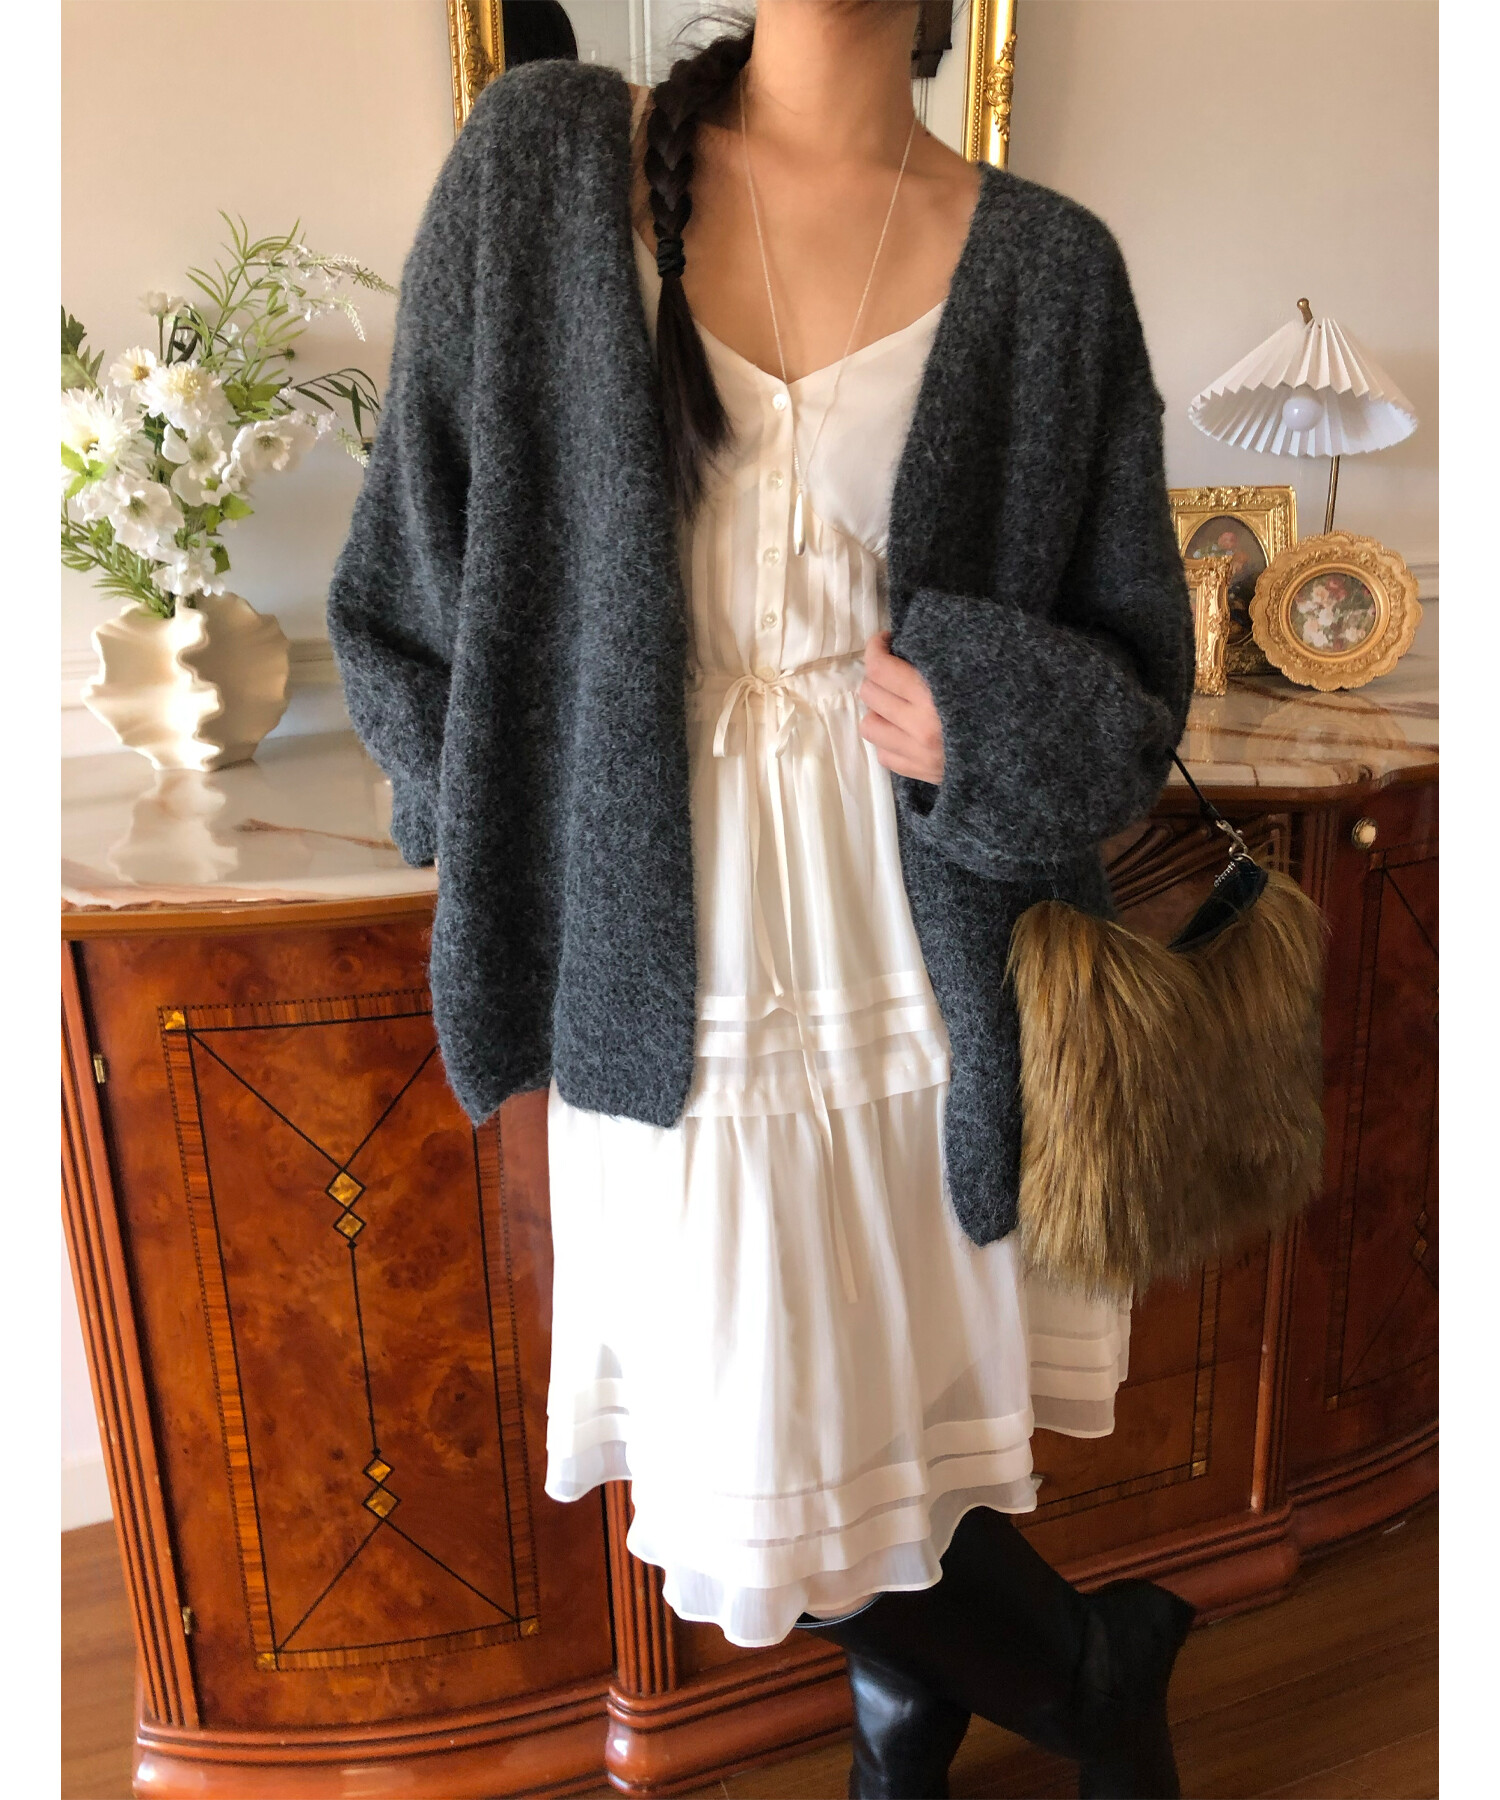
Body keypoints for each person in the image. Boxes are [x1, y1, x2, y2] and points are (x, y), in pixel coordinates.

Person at [328, 4, 1199, 1795]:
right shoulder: (549, 166)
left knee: (869, 1410)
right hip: (662, 956)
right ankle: (1091, 1671)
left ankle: (927, 1699)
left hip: (927, 964)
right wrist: (507, 847)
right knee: (750, 1434)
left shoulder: (1050, 270)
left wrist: (987, 723)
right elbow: (403, 582)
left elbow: (1136, 685)